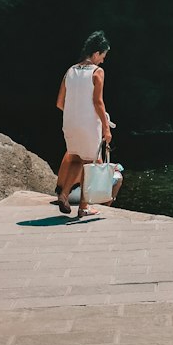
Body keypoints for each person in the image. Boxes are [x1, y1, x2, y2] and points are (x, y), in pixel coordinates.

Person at [55, 30, 113, 218]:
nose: (103, 61)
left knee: (78, 159)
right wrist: (106, 128)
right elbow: (98, 102)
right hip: (89, 124)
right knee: (89, 164)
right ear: (96, 53)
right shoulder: (97, 72)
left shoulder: (70, 70)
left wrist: (76, 113)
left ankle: (64, 194)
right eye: (103, 56)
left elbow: (59, 103)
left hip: (70, 123)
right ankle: (83, 207)